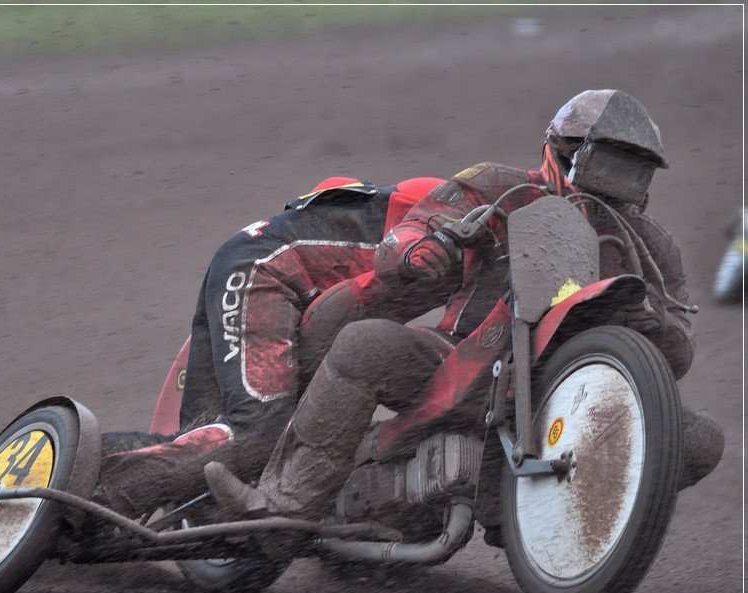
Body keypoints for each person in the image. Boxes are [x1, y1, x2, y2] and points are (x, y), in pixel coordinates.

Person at [204, 89, 726, 525]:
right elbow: (416, 226)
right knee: (365, 344)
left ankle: (565, 527)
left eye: (631, 168)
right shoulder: (498, 185)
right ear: (566, 151)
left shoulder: (655, 247)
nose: (615, 177)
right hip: (462, 355)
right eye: (606, 160)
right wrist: (418, 247)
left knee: (698, 439)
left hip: (576, 389)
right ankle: (280, 508)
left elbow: (679, 346)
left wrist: (654, 327)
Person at [97, 175, 446, 515]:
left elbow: (331, 191)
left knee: (207, 437)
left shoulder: (445, 230)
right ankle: (89, 482)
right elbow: (336, 311)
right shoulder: (454, 207)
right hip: (263, 269)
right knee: (260, 431)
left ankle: (100, 469)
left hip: (265, 264)